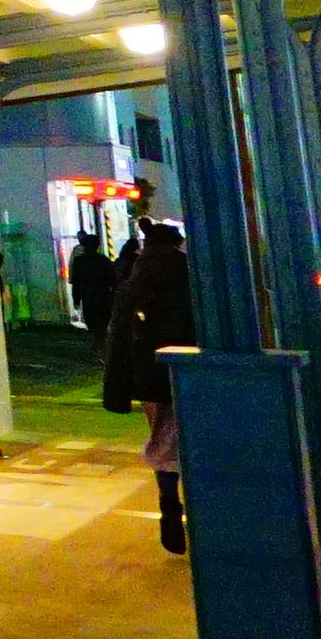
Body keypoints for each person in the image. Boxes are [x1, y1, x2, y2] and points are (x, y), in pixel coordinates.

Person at [101, 218, 193, 555]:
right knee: (192, 439)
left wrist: (119, 387)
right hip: (191, 370)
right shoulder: (191, 277)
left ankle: (168, 498)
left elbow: (118, 338)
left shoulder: (135, 280)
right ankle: (197, 504)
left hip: (149, 376)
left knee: (160, 438)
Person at [68, 232, 117, 339]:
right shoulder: (103, 260)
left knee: (91, 322)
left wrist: (76, 299)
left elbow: (76, 281)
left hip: (87, 297)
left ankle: (96, 341)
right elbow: (112, 280)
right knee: (103, 323)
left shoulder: (79, 261)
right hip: (103, 297)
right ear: (97, 246)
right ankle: (102, 342)